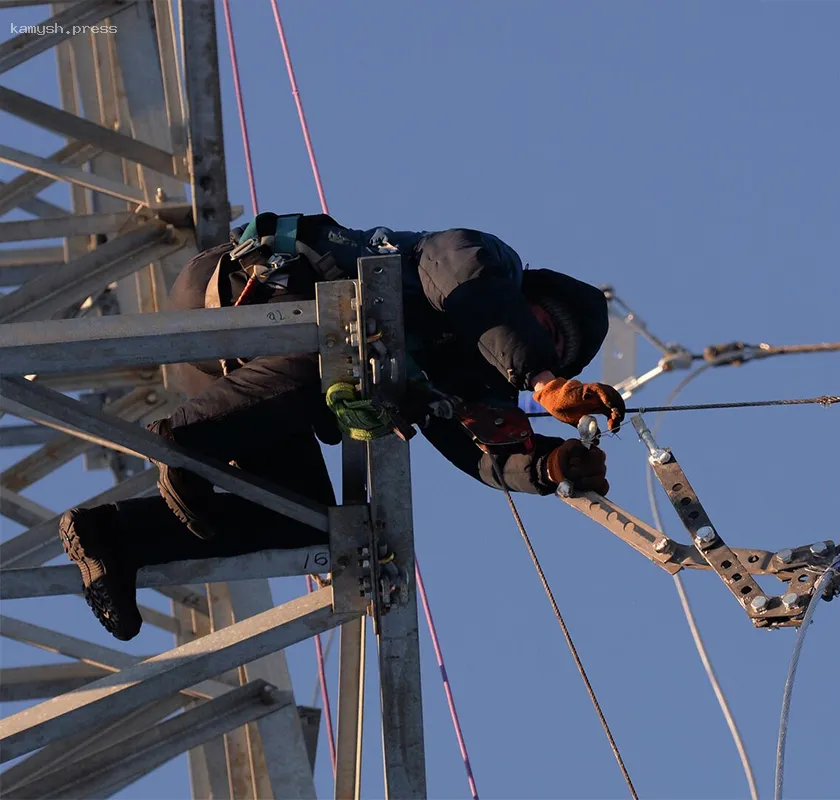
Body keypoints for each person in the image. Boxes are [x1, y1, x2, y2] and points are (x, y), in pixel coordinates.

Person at [58, 213, 626, 641]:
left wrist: (548, 466)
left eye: (558, 352)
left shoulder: (471, 376)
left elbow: (476, 448)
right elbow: (463, 277)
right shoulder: (482, 263)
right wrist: (542, 377)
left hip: (246, 384)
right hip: (252, 292)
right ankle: (184, 442)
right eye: (544, 327)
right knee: (348, 356)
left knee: (308, 523)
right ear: (525, 300)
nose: (542, 345)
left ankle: (113, 538)